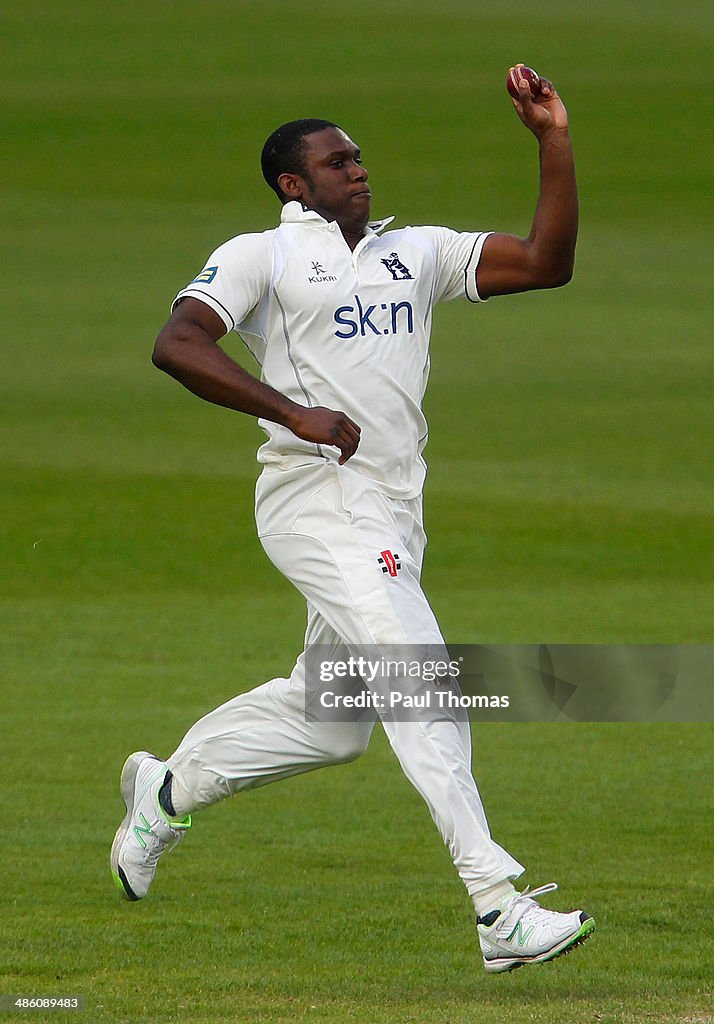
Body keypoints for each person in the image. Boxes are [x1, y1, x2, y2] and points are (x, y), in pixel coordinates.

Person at [110, 66, 595, 974]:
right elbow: (176, 344)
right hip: (315, 498)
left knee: (333, 719)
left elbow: (545, 262)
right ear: (294, 185)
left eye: (359, 158)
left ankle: (167, 789)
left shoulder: (415, 251)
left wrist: (551, 139)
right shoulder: (266, 254)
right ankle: (497, 908)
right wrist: (292, 413)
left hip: (392, 510)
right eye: (336, 163)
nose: (357, 171)